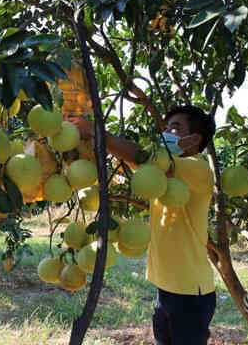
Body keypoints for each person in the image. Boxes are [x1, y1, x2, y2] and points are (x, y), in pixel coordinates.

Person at [68, 105, 216, 345]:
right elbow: (139, 162)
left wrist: (97, 132)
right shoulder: (160, 175)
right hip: (165, 288)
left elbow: (141, 156)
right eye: (166, 127)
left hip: (191, 293)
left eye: (175, 128)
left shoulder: (198, 169)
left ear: (194, 139)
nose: (166, 132)